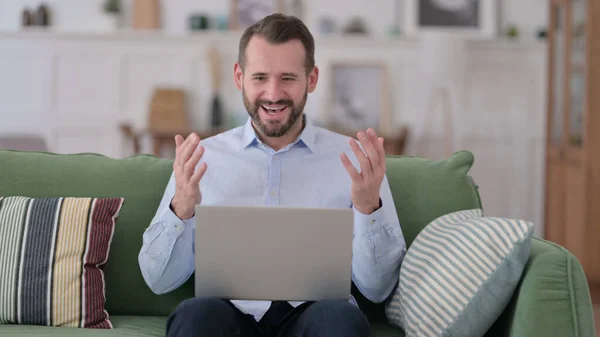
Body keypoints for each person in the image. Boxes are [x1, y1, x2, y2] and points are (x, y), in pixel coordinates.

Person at [138, 13, 406, 337]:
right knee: (195, 315)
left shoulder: (355, 161)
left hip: (317, 315)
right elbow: (157, 280)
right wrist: (181, 207)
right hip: (228, 314)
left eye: (288, 78)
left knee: (341, 320)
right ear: (239, 77)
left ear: (312, 79)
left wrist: (367, 209)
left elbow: (378, 289)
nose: (273, 93)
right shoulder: (200, 159)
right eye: (260, 77)